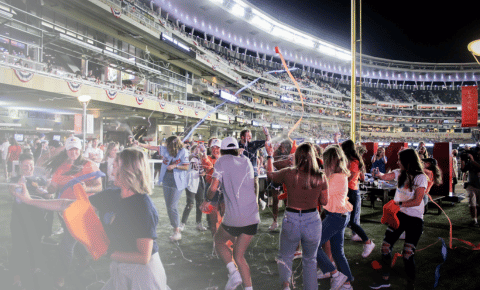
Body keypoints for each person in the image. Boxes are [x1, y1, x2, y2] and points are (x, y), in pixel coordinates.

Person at [13, 147, 170, 290]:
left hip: (143, 275)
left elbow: (143, 257)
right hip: (120, 268)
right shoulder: (113, 195)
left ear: (128, 171)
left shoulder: (142, 207)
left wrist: (107, 252)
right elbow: (66, 204)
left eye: (115, 166)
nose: (111, 171)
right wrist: (29, 200)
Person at [266, 141, 328, 290]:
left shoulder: (289, 172)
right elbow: (325, 201)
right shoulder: (320, 176)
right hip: (312, 219)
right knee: (310, 261)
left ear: (297, 156)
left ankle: (286, 286)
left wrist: (269, 155)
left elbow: (270, 175)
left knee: (285, 256)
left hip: (292, 218)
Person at [43, 136, 104, 288]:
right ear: (66, 150)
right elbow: (53, 187)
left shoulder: (89, 165)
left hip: (81, 210)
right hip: (63, 211)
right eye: (70, 149)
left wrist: (86, 189)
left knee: (67, 244)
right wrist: (46, 188)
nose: (73, 152)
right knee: (73, 237)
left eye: (76, 148)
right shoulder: (61, 167)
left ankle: (61, 275)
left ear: (80, 149)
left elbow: (99, 187)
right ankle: (83, 260)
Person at [201, 137, 260, 290]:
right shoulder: (246, 160)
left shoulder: (221, 161)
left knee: (219, 241)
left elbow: (213, 188)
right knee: (239, 257)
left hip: (234, 218)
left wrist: (207, 199)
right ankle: (247, 287)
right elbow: (253, 183)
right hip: (252, 217)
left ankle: (233, 273)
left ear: (223, 150)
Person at [370, 148, 428, 290]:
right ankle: (385, 279)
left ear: (407, 161)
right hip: (399, 216)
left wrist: (398, 204)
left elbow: (417, 201)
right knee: (385, 247)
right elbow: (385, 176)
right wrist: (378, 174)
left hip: (415, 219)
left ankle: (410, 285)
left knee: (407, 254)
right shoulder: (400, 173)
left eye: (399, 159)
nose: (397, 162)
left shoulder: (421, 177)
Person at [9, 153, 51, 290]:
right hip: (19, 218)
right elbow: (13, 193)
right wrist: (19, 185)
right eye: (26, 165)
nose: (29, 168)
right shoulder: (15, 179)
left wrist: (45, 192)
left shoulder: (40, 179)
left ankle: (35, 268)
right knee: (18, 246)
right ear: (20, 166)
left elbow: (48, 193)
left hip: (37, 217)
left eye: (31, 165)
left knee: (35, 243)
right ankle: (17, 277)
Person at [316, 145, 355, 290]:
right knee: (338, 252)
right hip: (339, 216)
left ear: (331, 161)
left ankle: (332, 273)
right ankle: (346, 283)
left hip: (335, 217)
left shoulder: (336, 177)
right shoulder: (339, 175)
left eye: (325, 161)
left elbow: (322, 195)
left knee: (314, 244)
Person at [136, 136, 189, 241]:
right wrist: (140, 144)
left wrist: (175, 166)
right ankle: (175, 226)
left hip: (177, 180)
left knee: (172, 205)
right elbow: (152, 147)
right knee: (169, 206)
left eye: (167, 143)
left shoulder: (183, 152)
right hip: (166, 178)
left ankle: (177, 231)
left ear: (172, 144)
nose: (165, 146)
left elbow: (187, 167)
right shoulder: (165, 150)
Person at [338, 136, 375, 257]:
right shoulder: (351, 160)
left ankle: (367, 241)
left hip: (351, 192)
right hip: (349, 191)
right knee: (346, 220)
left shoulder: (353, 161)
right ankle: (364, 241)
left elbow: (349, 177)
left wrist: (337, 179)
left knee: (351, 222)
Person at [238, 128, 271, 210]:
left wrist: (267, 134)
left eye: (251, 136)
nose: (250, 138)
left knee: (254, 199)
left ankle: (254, 217)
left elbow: (268, 142)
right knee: (241, 199)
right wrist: (236, 152)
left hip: (253, 176)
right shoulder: (236, 146)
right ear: (242, 137)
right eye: (248, 136)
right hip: (240, 177)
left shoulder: (253, 144)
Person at [268, 139, 294, 231]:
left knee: (288, 201)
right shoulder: (277, 152)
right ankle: (275, 222)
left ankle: (289, 221)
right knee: (275, 200)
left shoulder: (291, 152)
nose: (282, 147)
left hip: (287, 178)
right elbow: (276, 163)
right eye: (282, 145)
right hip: (277, 178)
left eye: (284, 146)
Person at [180, 144, 207, 231]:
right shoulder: (189, 156)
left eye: (199, 149)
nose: (198, 150)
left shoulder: (201, 159)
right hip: (190, 182)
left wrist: (203, 173)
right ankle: (182, 224)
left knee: (200, 203)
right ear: (193, 150)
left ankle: (198, 223)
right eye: (196, 149)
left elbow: (203, 171)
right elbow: (190, 157)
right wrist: (196, 152)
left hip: (199, 182)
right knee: (190, 204)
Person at [460, 147, 480, 227]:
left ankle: (476, 217)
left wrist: (472, 161)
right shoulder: (471, 161)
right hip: (471, 185)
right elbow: (463, 169)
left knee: (478, 205)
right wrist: (462, 160)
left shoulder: (473, 161)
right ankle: (474, 220)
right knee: (472, 202)